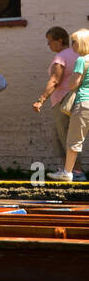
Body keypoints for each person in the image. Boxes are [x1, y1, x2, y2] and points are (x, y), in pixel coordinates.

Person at [33, 27, 83, 179]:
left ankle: (76, 172)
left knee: (65, 137)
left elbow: (55, 80)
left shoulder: (61, 57)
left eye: (50, 42)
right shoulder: (78, 55)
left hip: (63, 101)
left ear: (59, 40)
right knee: (70, 137)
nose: (49, 45)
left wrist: (40, 100)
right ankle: (70, 171)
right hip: (77, 100)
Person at [49, 29, 89, 182]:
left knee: (73, 140)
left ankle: (69, 172)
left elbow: (73, 84)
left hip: (83, 103)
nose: (72, 45)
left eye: (74, 42)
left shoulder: (81, 60)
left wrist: (72, 79)